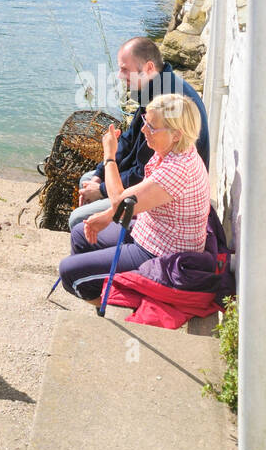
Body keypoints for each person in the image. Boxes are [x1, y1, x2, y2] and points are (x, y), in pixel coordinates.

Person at [58, 94, 212, 302]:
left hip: (161, 254)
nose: (143, 130)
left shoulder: (176, 170)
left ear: (176, 134)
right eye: (145, 122)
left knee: (68, 271)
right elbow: (135, 200)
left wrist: (109, 156)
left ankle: (111, 304)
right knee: (80, 234)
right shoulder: (173, 150)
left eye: (152, 127)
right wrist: (107, 215)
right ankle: (98, 288)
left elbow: (120, 203)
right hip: (149, 231)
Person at [69, 37, 208, 230]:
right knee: (87, 179)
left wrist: (101, 190)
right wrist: (100, 174)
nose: (119, 75)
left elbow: (142, 173)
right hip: (147, 177)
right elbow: (128, 139)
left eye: (125, 69)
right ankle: (97, 236)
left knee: (77, 219)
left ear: (149, 67)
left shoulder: (164, 102)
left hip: (165, 194)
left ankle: (97, 241)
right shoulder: (155, 86)